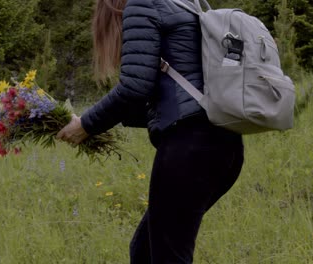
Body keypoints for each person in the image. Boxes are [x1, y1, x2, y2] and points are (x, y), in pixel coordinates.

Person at [56, 0, 244, 263]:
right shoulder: (183, 4)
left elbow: (134, 88)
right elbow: (172, 98)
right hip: (225, 144)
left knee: (167, 256)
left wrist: (85, 125)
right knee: (145, 251)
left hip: (190, 147)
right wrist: (105, 122)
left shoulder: (141, 4)